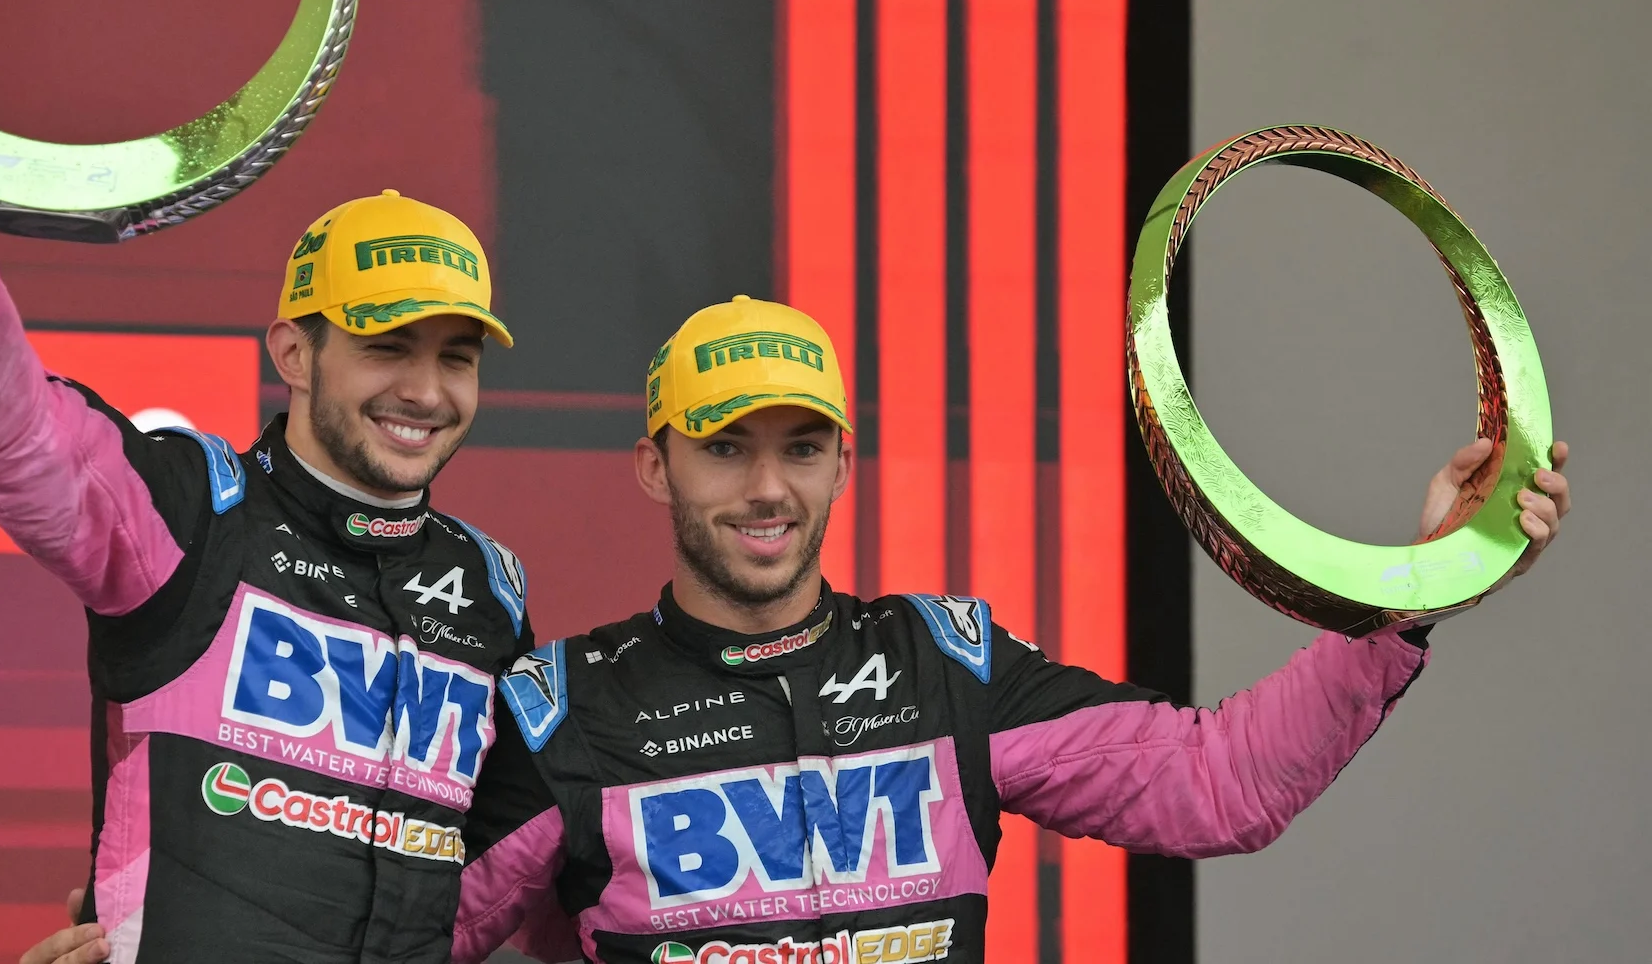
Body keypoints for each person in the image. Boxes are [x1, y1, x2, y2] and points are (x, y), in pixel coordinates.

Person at [448, 294, 1571, 964]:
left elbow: (1219, 785)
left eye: (801, 448)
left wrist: (1409, 594)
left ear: (843, 464)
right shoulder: (567, 708)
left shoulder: (943, 663)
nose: (768, 488)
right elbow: (410, 930)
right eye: (725, 448)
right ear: (656, 467)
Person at [0, 0, 535, 964]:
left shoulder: (488, 588)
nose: (426, 390)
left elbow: (517, 866)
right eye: (387, 347)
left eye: (457, 357)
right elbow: (8, 436)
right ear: (296, 354)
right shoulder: (192, 508)